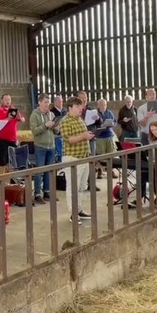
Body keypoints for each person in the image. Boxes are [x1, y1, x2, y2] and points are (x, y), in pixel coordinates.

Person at [59, 96, 94, 224]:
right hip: (72, 158)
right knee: (73, 186)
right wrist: (84, 136)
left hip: (83, 156)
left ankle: (79, 209)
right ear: (70, 108)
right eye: (78, 107)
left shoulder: (80, 119)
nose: (81, 109)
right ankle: (73, 213)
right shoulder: (65, 121)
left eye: (81, 106)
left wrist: (88, 135)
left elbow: (81, 136)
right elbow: (69, 139)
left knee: (81, 186)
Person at [29, 93, 56, 203]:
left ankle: (47, 192)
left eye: (48, 102)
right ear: (39, 102)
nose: (47, 104)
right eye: (45, 102)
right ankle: (37, 194)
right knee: (39, 170)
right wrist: (46, 125)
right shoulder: (34, 115)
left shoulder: (52, 114)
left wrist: (56, 128)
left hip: (51, 146)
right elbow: (34, 131)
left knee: (49, 171)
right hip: (40, 146)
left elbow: (55, 131)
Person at [0, 94, 25, 169]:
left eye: (9, 100)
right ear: (2, 101)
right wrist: (8, 118)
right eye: (6, 100)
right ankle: (4, 179)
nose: (8, 101)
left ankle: (13, 179)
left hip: (13, 139)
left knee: (14, 161)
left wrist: (20, 118)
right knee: (3, 162)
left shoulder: (13, 109)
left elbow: (23, 119)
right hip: (2, 140)